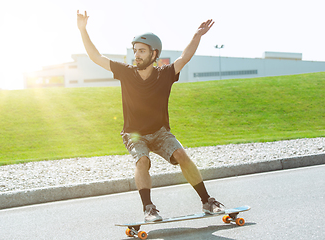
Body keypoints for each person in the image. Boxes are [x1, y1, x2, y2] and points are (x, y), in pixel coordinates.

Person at [77, 10, 224, 222]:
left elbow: (185, 57)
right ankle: (148, 208)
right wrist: (83, 29)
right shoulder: (125, 72)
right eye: (135, 50)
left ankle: (207, 201)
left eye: (142, 51)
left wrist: (197, 36)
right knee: (142, 160)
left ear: (154, 54)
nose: (136, 55)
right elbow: (95, 57)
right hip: (134, 134)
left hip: (160, 132)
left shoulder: (165, 74)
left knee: (182, 155)